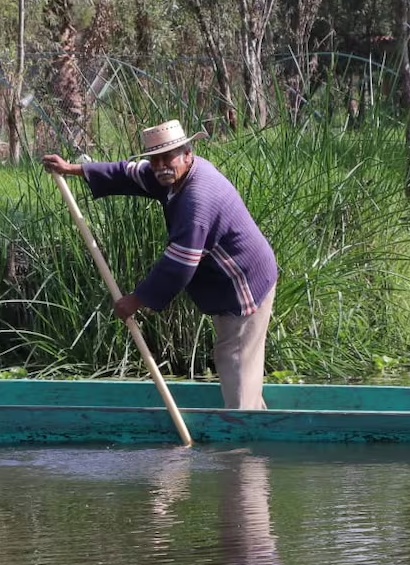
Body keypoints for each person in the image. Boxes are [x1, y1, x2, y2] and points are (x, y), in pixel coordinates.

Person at [42, 119, 278, 410]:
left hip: (243, 282)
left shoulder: (197, 199)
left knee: (235, 355)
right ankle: (254, 418)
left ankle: (243, 439)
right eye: (155, 159)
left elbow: (178, 265)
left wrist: (135, 300)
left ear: (187, 154)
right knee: (238, 355)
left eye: (168, 157)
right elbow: (127, 173)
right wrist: (72, 169)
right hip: (227, 279)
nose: (161, 165)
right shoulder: (171, 174)